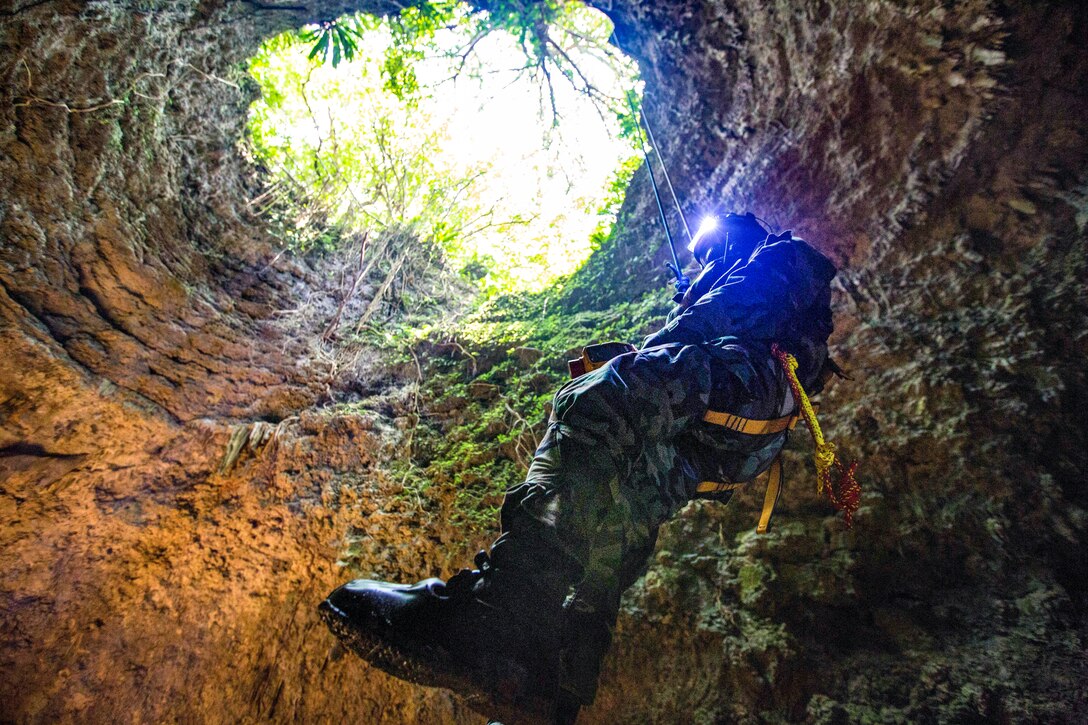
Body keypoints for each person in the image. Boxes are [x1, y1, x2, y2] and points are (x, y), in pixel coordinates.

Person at [319, 212, 842, 724]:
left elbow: (682, 342)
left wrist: (686, 304)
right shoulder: (768, 302)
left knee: (595, 399)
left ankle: (503, 609)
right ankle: (546, 686)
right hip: (754, 425)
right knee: (623, 503)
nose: (695, 269)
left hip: (750, 386)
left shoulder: (746, 265)